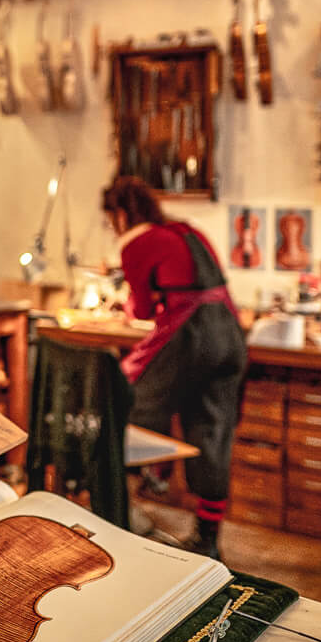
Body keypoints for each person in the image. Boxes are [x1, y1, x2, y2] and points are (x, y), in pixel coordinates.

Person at [102, 175, 246, 560]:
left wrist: (127, 305)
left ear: (118, 214)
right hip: (228, 334)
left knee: (130, 402)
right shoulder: (188, 232)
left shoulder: (137, 243)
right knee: (212, 434)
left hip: (192, 335)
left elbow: (144, 310)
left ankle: (127, 510)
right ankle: (208, 539)